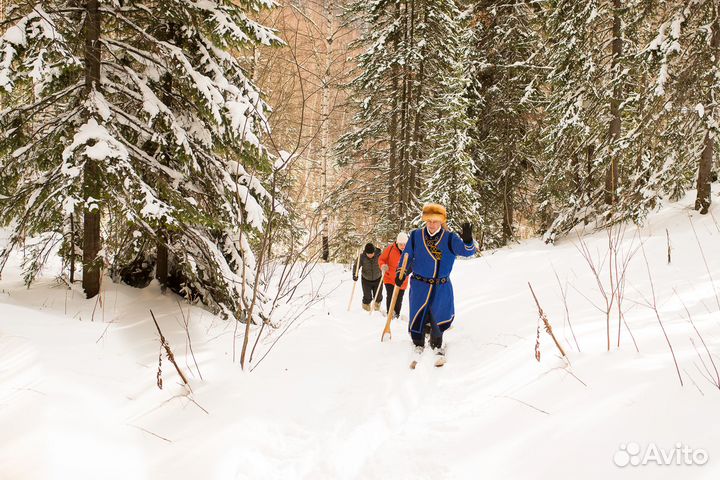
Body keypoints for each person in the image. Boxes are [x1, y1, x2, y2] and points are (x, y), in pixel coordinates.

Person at [394, 204, 475, 361]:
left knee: (438, 316)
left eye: (435, 221)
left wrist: (468, 240)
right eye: (429, 221)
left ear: (441, 221)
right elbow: (407, 257)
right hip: (419, 285)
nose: (432, 224)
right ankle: (418, 343)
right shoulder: (416, 236)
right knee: (418, 315)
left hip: (441, 287)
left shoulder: (450, 238)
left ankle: (437, 344)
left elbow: (467, 251)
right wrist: (401, 273)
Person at [378, 232, 409, 319]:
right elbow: (381, 259)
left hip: (402, 280)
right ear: (397, 242)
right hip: (389, 278)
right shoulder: (390, 249)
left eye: (404, 244)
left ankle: (396, 315)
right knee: (390, 295)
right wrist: (383, 265)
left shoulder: (409, 251)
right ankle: (390, 314)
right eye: (400, 244)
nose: (402, 246)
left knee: (399, 299)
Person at [353, 242, 383, 311]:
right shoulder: (362, 257)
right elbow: (356, 266)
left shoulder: (379, 255)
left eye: (371, 254)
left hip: (378, 278)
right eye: (368, 254)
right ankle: (366, 311)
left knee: (378, 297)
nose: (370, 255)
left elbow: (384, 262)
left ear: (374, 252)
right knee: (367, 297)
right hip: (366, 280)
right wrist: (355, 274)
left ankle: (377, 309)